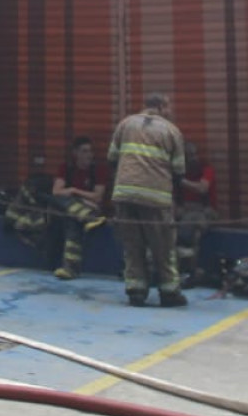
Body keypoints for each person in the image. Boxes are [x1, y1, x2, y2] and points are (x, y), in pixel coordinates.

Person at [108, 93, 188, 307]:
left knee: (132, 245)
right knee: (163, 247)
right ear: (162, 106)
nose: (170, 111)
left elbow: (112, 158)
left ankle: (136, 291)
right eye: (169, 107)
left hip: (125, 194)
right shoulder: (171, 131)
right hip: (156, 198)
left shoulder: (125, 125)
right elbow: (179, 170)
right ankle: (169, 293)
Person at [51, 137, 111, 280]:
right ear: (75, 153)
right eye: (84, 151)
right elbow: (56, 192)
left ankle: (70, 268)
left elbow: (97, 197)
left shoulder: (98, 170)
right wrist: (81, 198)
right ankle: (86, 216)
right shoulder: (66, 168)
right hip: (78, 210)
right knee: (68, 212)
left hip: (93, 209)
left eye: (90, 151)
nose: (89, 155)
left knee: (71, 219)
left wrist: (73, 191)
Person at [175, 143, 217, 286]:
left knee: (189, 226)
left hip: (205, 211)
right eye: (188, 157)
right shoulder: (179, 171)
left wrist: (181, 181)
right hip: (185, 211)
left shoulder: (206, 169)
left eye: (194, 155)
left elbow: (202, 188)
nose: (192, 159)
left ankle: (188, 271)